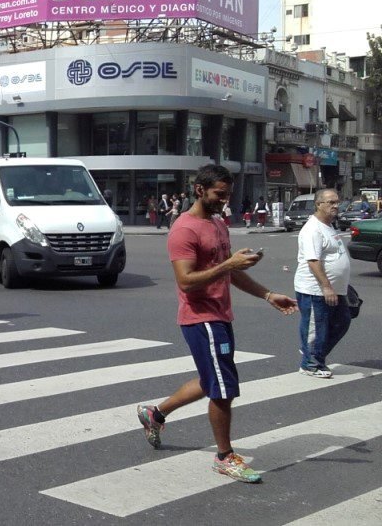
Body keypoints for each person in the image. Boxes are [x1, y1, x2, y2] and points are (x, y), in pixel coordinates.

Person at [136, 164, 297, 484]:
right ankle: (225, 456)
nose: (225, 201)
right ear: (199, 190)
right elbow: (186, 281)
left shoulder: (218, 223)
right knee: (223, 389)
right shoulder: (184, 229)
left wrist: (267, 294)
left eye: (228, 195)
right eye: (219, 195)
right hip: (201, 318)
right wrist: (229, 262)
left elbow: (230, 272)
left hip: (220, 315)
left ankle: (155, 414)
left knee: (212, 381)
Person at [293, 188, 351, 378]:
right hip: (315, 289)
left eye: (337, 202)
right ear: (319, 204)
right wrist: (326, 286)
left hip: (334, 289)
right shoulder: (312, 229)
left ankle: (313, 354)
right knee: (316, 326)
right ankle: (311, 363)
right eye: (331, 202)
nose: (336, 206)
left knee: (342, 321)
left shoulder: (328, 226)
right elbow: (313, 261)